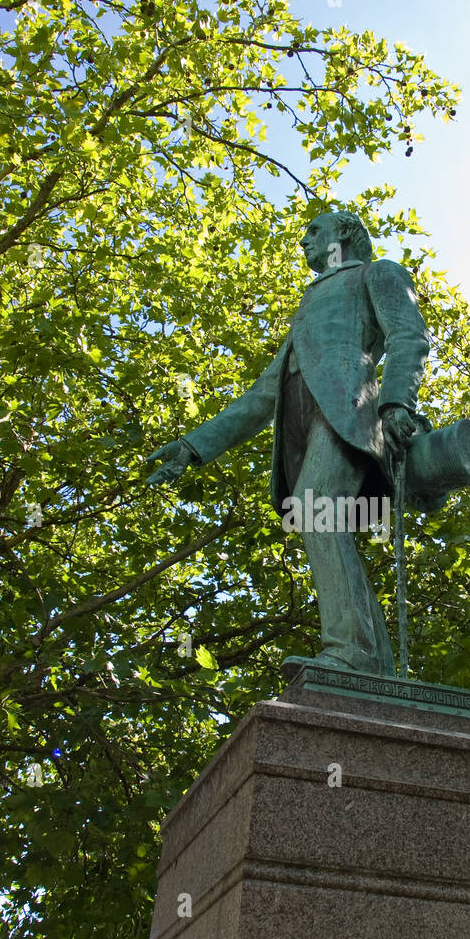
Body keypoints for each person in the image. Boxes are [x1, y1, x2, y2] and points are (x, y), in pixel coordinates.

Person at [146, 209, 429, 676]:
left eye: (314, 231)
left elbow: (409, 337)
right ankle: (372, 660)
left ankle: (353, 652)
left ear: (344, 233)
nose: (304, 242)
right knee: (318, 516)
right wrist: (194, 446)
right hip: (300, 416)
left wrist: (396, 402)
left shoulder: (378, 273)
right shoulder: (310, 303)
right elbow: (262, 395)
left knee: (314, 508)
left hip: (348, 408)